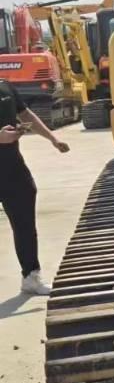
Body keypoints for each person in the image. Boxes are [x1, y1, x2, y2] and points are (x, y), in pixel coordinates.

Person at [1, 79, 71, 295]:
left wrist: (52, 137)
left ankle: (31, 276)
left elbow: (26, 115)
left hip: (11, 167)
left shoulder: (5, 86)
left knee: (25, 224)